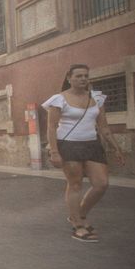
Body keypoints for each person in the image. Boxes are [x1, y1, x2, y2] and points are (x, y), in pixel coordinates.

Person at [43, 64, 124, 243]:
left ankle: (78, 214)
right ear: (69, 78)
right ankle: (78, 226)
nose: (83, 79)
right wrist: (54, 151)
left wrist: (116, 147)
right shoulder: (59, 99)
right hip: (69, 145)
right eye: (78, 76)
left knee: (101, 184)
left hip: (92, 145)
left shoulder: (96, 98)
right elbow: (51, 127)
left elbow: (104, 126)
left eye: (85, 76)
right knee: (75, 185)